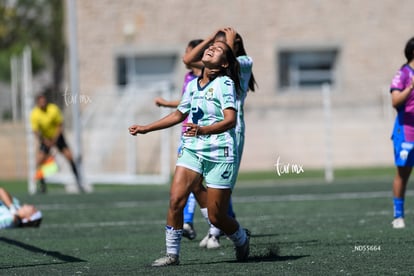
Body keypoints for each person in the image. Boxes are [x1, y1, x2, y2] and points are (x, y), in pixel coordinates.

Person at [129, 40, 250, 266]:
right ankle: (172, 254)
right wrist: (146, 128)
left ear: (224, 63)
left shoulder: (225, 83)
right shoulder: (193, 85)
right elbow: (178, 115)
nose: (212, 48)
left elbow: (230, 121)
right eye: (211, 46)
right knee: (176, 199)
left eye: (219, 50)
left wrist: (202, 130)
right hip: (192, 149)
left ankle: (241, 239)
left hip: (219, 152)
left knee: (217, 217)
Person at [182, 27, 257, 248]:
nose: (215, 48)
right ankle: (215, 226)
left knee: (221, 190)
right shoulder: (212, 63)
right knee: (194, 183)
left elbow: (231, 58)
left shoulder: (243, 62)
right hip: (205, 130)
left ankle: (218, 231)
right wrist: (211, 39)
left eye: (221, 45)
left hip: (230, 132)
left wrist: (230, 41)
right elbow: (188, 59)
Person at [154, 39, 204, 240]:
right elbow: (185, 103)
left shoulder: (210, 79)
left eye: (188, 52)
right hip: (186, 135)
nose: (185, 56)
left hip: (204, 137)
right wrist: (167, 104)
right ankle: (188, 223)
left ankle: (220, 222)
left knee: (209, 186)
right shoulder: (188, 77)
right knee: (190, 184)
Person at [30, 93, 81, 193]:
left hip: (57, 137)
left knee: (69, 156)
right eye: (41, 102)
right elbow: (36, 131)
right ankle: (42, 186)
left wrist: (55, 140)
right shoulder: (35, 114)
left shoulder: (53, 109)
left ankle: (79, 181)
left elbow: (60, 125)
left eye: (44, 101)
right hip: (45, 139)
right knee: (39, 160)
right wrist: (45, 141)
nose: (43, 103)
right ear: (37, 103)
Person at [390, 37, 414, 229]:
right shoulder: (403, 74)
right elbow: (395, 101)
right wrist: (411, 87)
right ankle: (398, 216)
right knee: (404, 173)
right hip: (406, 131)